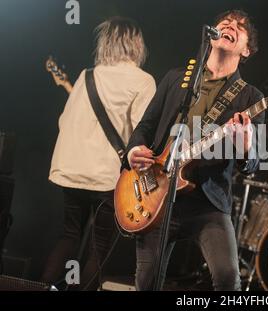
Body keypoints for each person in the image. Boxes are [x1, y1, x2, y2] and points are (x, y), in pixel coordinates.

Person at [124, 9, 264, 291]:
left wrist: (247, 145)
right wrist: (132, 150)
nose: (229, 25)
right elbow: (146, 126)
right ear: (211, 35)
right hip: (156, 193)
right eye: (225, 21)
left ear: (247, 50)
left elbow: (253, 163)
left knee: (227, 279)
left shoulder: (251, 97)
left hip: (208, 201)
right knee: (147, 283)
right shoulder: (177, 79)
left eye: (240, 26)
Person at [41, 17, 156, 290]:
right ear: (137, 45)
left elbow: (64, 122)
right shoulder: (143, 81)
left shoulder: (86, 75)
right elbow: (144, 134)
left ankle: (42, 288)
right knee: (98, 247)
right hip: (106, 177)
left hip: (70, 170)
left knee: (69, 236)